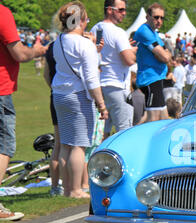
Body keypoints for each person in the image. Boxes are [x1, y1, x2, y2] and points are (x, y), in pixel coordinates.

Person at [51, 1, 108, 199]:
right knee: (79, 145)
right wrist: (101, 104)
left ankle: (67, 189)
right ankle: (76, 189)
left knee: (66, 144)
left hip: (59, 94)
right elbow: (92, 79)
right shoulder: (85, 44)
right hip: (77, 96)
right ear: (80, 20)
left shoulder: (59, 40)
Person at [0, 3, 48, 220]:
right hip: (1, 89)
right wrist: (36, 51)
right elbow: (19, 53)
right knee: (5, 146)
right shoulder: (2, 12)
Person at [90, 0, 136, 134]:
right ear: (110, 10)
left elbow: (101, 50)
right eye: (121, 10)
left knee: (102, 134)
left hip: (99, 88)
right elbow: (129, 60)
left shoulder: (96, 29)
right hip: (117, 87)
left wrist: (126, 48)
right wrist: (133, 51)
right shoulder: (118, 32)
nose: (124, 13)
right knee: (125, 133)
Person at [134, 3, 172, 122]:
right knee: (153, 120)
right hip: (150, 79)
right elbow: (165, 57)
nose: (159, 20)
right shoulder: (145, 32)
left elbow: (166, 55)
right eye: (156, 17)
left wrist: (164, 54)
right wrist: (164, 54)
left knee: (164, 118)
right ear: (148, 17)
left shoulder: (155, 33)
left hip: (157, 78)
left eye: (161, 18)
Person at [43, 40, 64, 196]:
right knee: (71, 146)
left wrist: (54, 89)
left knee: (58, 144)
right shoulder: (75, 42)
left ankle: (55, 185)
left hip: (55, 95)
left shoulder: (52, 45)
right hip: (71, 95)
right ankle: (70, 184)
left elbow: (46, 74)